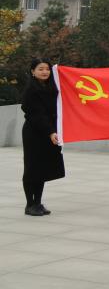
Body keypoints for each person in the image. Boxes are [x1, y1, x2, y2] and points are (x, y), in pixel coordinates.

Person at [21, 59, 64, 216]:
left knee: (42, 168)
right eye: (40, 69)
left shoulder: (52, 87)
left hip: (49, 132)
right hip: (34, 133)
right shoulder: (31, 90)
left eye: (47, 69)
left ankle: (38, 203)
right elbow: (36, 114)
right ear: (33, 71)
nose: (45, 72)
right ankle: (29, 204)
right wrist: (50, 131)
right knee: (32, 168)